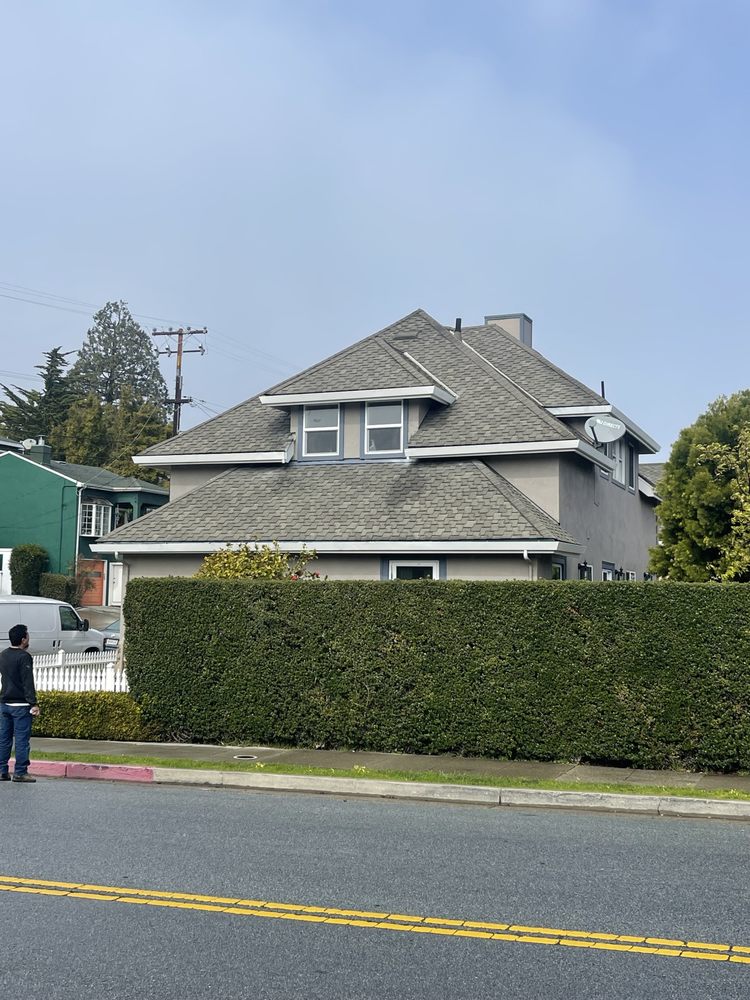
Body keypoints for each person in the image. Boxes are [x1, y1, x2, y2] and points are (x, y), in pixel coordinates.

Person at [0, 624, 40, 783]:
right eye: (27, 636)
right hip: (21, 705)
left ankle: (2, 770)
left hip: (4, 703)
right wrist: (33, 704)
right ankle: (20, 772)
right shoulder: (24, 657)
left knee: (4, 739)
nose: (28, 638)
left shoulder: (3, 655)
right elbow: (27, 682)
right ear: (23, 639)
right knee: (22, 739)